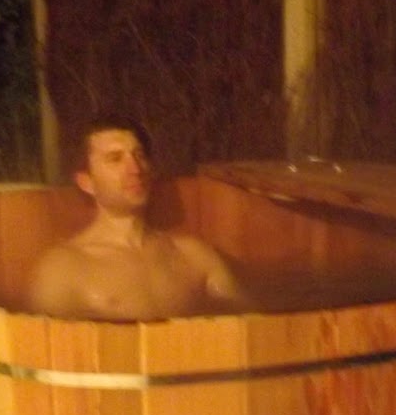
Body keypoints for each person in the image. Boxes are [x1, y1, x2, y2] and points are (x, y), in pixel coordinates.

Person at [26, 118, 247, 320]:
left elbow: (246, 331)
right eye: (115, 159)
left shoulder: (195, 256)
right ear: (87, 182)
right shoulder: (62, 269)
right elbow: (46, 345)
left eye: (139, 155)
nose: (135, 169)